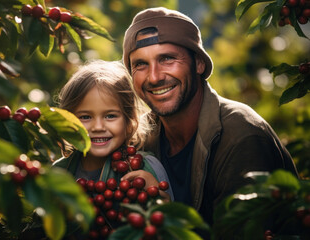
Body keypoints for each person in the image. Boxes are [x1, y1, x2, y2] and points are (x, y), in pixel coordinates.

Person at [121, 7, 298, 227]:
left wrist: (167, 220)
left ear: (200, 63)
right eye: (140, 64)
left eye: (167, 59)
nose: (155, 77)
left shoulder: (241, 136)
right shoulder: (139, 136)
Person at [53, 60, 171, 197]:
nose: (98, 127)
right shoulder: (58, 173)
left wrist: (157, 198)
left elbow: (169, 216)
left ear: (129, 121)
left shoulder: (146, 168)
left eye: (110, 116)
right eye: (85, 117)